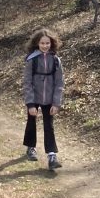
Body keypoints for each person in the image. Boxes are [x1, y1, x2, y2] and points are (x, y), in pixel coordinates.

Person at [22, 29, 64, 171]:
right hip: (34, 96)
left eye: (47, 43)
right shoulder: (32, 59)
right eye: (42, 43)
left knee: (49, 125)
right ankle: (30, 147)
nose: (45, 46)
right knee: (31, 121)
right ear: (37, 43)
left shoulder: (56, 60)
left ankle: (52, 156)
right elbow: (27, 82)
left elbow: (59, 83)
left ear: (52, 43)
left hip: (50, 98)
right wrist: (30, 104)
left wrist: (56, 102)